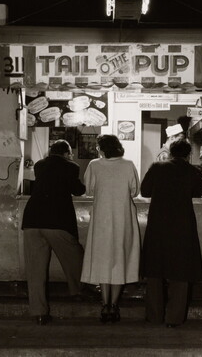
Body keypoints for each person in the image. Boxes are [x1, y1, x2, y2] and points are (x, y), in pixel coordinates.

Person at [140, 139, 202, 328]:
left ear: (170, 152)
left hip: (158, 225)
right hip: (182, 226)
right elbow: (199, 192)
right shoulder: (192, 171)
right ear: (188, 154)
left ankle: (154, 316)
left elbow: (145, 192)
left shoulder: (157, 167)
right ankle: (174, 318)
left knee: (155, 271)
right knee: (180, 272)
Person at [21, 139, 86, 325]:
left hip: (32, 220)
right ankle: (78, 291)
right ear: (67, 153)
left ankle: (39, 313)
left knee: (35, 269)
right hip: (57, 220)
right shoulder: (71, 166)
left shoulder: (40, 165)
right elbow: (78, 190)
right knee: (75, 256)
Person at [81, 134, 141, 323]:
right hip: (124, 218)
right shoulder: (129, 165)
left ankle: (105, 304)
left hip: (102, 219)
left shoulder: (94, 165)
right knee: (120, 258)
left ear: (102, 148)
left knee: (103, 259)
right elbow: (135, 191)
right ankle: (114, 305)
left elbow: (88, 190)